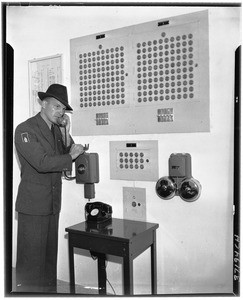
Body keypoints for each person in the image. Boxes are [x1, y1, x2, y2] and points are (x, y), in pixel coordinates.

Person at [14, 84, 84, 293]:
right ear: (43, 104)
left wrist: (66, 131)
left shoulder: (56, 130)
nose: (60, 112)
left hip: (52, 204)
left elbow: (65, 152)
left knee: (48, 261)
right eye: (56, 107)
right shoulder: (25, 129)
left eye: (63, 109)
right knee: (31, 263)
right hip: (33, 205)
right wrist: (70, 156)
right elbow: (43, 162)